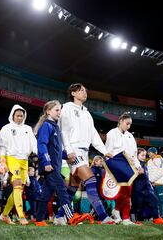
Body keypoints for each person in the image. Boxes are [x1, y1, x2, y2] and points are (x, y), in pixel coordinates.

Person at [59, 83, 114, 224]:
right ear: (73, 93)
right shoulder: (67, 108)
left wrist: (105, 151)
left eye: (85, 91)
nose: (85, 93)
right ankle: (103, 216)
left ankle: (59, 216)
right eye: (81, 90)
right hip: (74, 151)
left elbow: (94, 135)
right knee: (91, 179)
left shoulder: (87, 113)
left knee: (72, 188)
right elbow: (63, 130)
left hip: (84, 152)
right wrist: (69, 150)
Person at [34, 100, 88, 226]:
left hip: (55, 166)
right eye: (57, 110)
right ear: (48, 111)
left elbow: (56, 150)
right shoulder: (46, 126)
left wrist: (67, 155)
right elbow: (41, 145)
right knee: (62, 189)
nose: (60, 113)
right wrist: (46, 162)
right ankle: (71, 217)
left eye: (60, 110)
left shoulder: (55, 127)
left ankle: (39, 219)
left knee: (46, 194)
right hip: (50, 166)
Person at [0, 104, 37, 225]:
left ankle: (4, 215)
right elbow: (2, 147)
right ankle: (21, 216)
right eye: (18, 115)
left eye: (22, 116)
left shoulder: (28, 129)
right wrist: (3, 161)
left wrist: (39, 153)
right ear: (12, 116)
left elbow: (34, 144)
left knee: (18, 190)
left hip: (24, 161)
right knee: (17, 184)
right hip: (11, 159)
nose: (20, 118)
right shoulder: (6, 128)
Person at [105, 113, 144, 225]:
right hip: (117, 165)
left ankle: (120, 213)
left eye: (130, 124)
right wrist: (111, 169)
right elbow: (108, 152)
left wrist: (139, 166)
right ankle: (123, 216)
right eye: (127, 123)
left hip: (129, 166)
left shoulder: (130, 136)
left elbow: (134, 153)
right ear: (121, 121)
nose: (129, 126)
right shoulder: (112, 133)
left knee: (127, 192)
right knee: (122, 192)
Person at [131, 148, 163, 224]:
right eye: (142, 155)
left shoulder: (144, 164)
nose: (144, 156)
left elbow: (148, 176)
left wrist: (150, 183)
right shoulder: (134, 164)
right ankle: (133, 220)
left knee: (155, 201)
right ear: (136, 156)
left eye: (145, 155)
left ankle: (157, 218)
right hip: (138, 189)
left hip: (147, 188)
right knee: (136, 205)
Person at [147, 147, 163, 220]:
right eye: (148, 152)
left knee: (162, 200)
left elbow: (161, 171)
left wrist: (152, 180)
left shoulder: (161, 160)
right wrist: (150, 181)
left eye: (149, 152)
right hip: (153, 183)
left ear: (154, 152)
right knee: (156, 201)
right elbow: (149, 172)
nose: (148, 154)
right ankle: (159, 216)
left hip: (159, 183)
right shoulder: (149, 161)